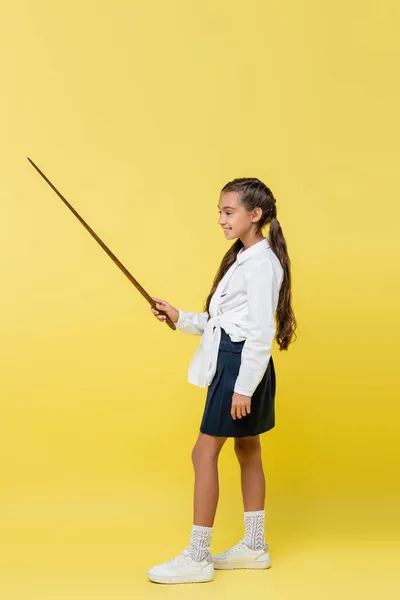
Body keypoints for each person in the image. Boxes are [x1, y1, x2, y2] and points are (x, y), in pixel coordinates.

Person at [147, 177, 297, 584]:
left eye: (228, 212)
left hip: (241, 367)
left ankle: (197, 557)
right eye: (220, 212)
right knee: (247, 449)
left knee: (203, 454)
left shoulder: (262, 263)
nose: (220, 219)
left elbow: (261, 331)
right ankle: (254, 546)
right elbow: (225, 322)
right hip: (241, 361)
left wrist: (243, 387)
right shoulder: (243, 258)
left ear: (255, 215)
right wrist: (181, 318)